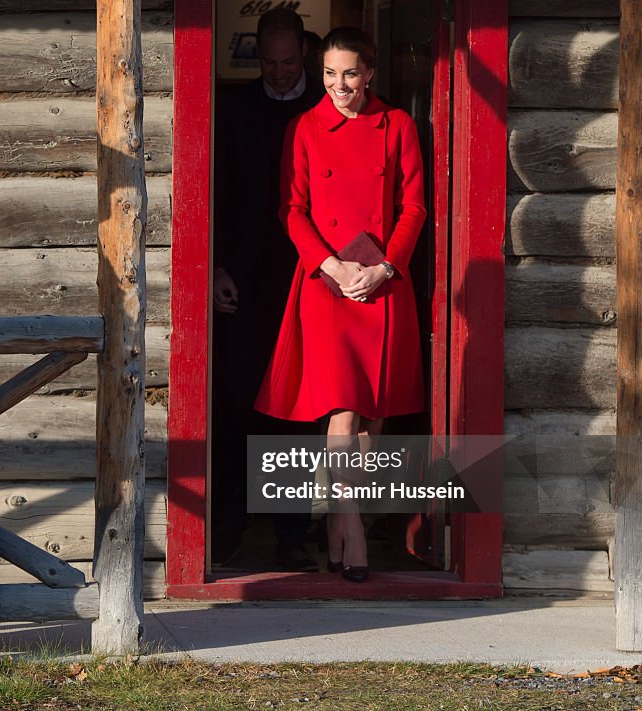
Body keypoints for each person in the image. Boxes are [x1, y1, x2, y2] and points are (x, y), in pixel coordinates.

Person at [254, 26, 427, 583]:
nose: (338, 85)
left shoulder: (396, 125)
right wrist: (330, 266)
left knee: (374, 415)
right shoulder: (304, 127)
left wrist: (384, 267)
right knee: (343, 410)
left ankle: (332, 527)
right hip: (327, 285)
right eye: (330, 74)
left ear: (369, 72)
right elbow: (292, 208)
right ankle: (351, 530)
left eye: (349, 73)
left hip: (381, 281)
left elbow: (415, 208)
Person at [212, 7, 324, 571]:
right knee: (236, 400)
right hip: (243, 282)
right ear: (257, 55)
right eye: (271, 63)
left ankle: (290, 532)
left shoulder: (327, 110)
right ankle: (231, 523)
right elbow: (215, 196)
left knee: (297, 410)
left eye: (290, 62)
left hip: (310, 281)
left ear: (304, 53)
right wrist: (214, 268)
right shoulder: (232, 110)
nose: (281, 73)